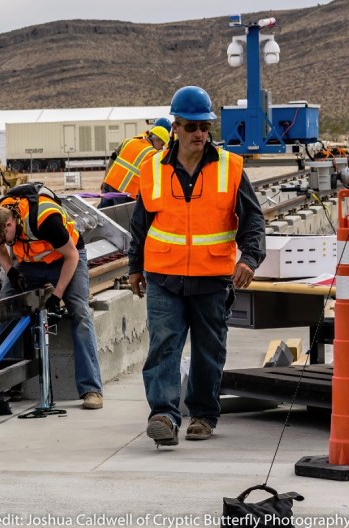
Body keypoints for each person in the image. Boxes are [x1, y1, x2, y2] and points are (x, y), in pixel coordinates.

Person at [127, 86, 266, 446]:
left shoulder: (230, 168)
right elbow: (140, 223)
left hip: (211, 277)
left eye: (204, 126)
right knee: (164, 346)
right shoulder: (152, 168)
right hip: (163, 276)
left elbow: (253, 220)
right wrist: (134, 267)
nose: (200, 134)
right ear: (175, 127)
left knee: (209, 350)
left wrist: (249, 258)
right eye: (192, 127)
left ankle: (202, 415)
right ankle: (164, 415)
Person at [0, 183, 103, 409]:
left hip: (65, 260)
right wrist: (11, 271)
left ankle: (91, 389)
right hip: (30, 264)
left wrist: (57, 295)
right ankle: (11, 381)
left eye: (5, 240)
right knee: (3, 309)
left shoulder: (46, 219)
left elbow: (72, 256)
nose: (5, 245)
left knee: (80, 312)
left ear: (9, 224)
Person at [98, 125, 170, 208]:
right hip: (125, 192)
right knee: (121, 219)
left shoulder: (129, 141)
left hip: (109, 183)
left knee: (101, 214)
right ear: (156, 140)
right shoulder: (151, 154)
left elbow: (112, 159)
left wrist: (104, 179)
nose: (161, 149)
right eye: (161, 145)